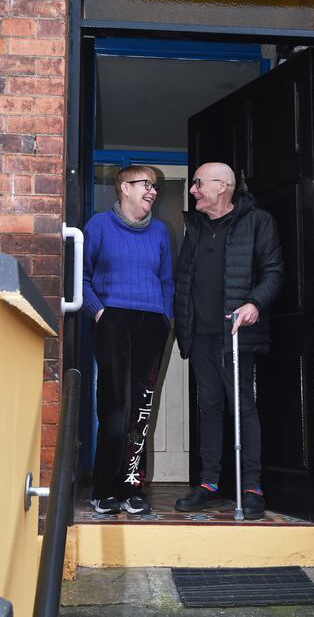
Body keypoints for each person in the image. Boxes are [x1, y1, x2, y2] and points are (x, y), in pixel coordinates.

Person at [174, 162, 284, 520]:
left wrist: (255, 303)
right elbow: (185, 278)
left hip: (235, 333)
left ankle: (251, 487)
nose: (193, 190)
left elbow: (273, 271)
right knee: (208, 406)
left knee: (243, 407)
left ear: (222, 186)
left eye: (198, 184)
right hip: (200, 333)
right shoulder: (195, 227)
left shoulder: (257, 221)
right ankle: (208, 483)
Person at [83, 164, 174, 515]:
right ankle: (104, 488)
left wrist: (165, 317)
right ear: (123, 187)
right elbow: (82, 275)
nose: (152, 191)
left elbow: (167, 280)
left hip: (151, 322)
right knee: (114, 407)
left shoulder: (161, 232)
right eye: (144, 184)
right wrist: (99, 312)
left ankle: (132, 488)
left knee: (141, 409)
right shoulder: (99, 226)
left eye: (154, 186)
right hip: (113, 319)